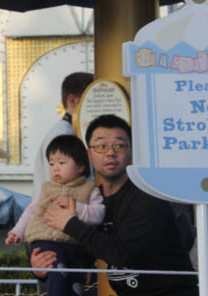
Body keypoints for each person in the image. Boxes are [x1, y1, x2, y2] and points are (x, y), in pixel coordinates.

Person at [33, 114, 198, 295]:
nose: (110, 153)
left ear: (131, 152)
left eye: (119, 145)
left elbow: (122, 254)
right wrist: (44, 266)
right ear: (89, 154)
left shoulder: (148, 199)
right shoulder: (93, 200)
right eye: (101, 146)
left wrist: (70, 224)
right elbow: (84, 252)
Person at [6, 134, 104, 295]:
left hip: (74, 244)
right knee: (56, 272)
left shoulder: (89, 189)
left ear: (81, 166)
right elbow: (31, 211)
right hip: (46, 240)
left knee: (76, 283)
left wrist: (76, 208)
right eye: (51, 164)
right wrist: (17, 231)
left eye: (62, 163)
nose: (55, 168)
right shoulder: (46, 189)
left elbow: (98, 214)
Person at [32, 72, 92, 199]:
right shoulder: (64, 134)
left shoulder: (67, 131)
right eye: (91, 100)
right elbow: (60, 187)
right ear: (72, 100)